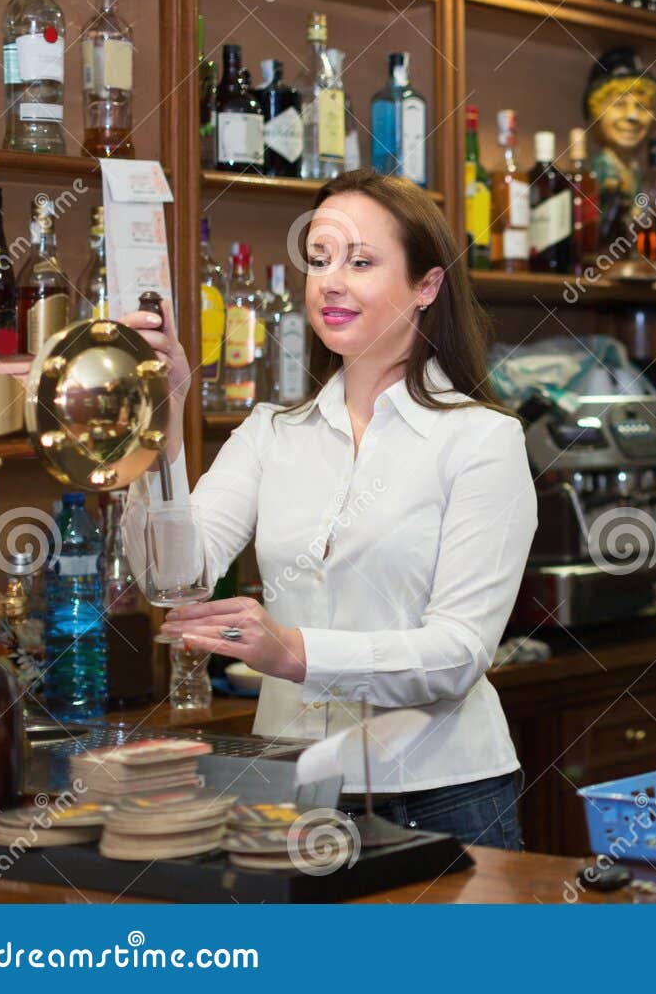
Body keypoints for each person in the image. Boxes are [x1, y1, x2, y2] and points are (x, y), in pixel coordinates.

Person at [122, 171, 536, 849]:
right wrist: (160, 424)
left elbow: (459, 651)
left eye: (361, 262)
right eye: (318, 261)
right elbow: (175, 578)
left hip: (442, 798)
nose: (330, 282)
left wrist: (293, 651)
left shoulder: (481, 439)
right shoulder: (272, 432)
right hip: (292, 792)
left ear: (426, 286)